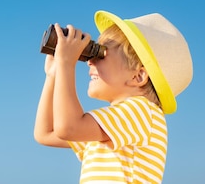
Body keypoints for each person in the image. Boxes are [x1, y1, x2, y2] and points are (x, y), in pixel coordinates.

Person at [34, 10, 193, 183]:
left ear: (137, 76)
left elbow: (68, 127)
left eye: (101, 54)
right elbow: (46, 133)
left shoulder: (142, 111)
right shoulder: (113, 126)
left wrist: (66, 63)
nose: (89, 61)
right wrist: (53, 75)